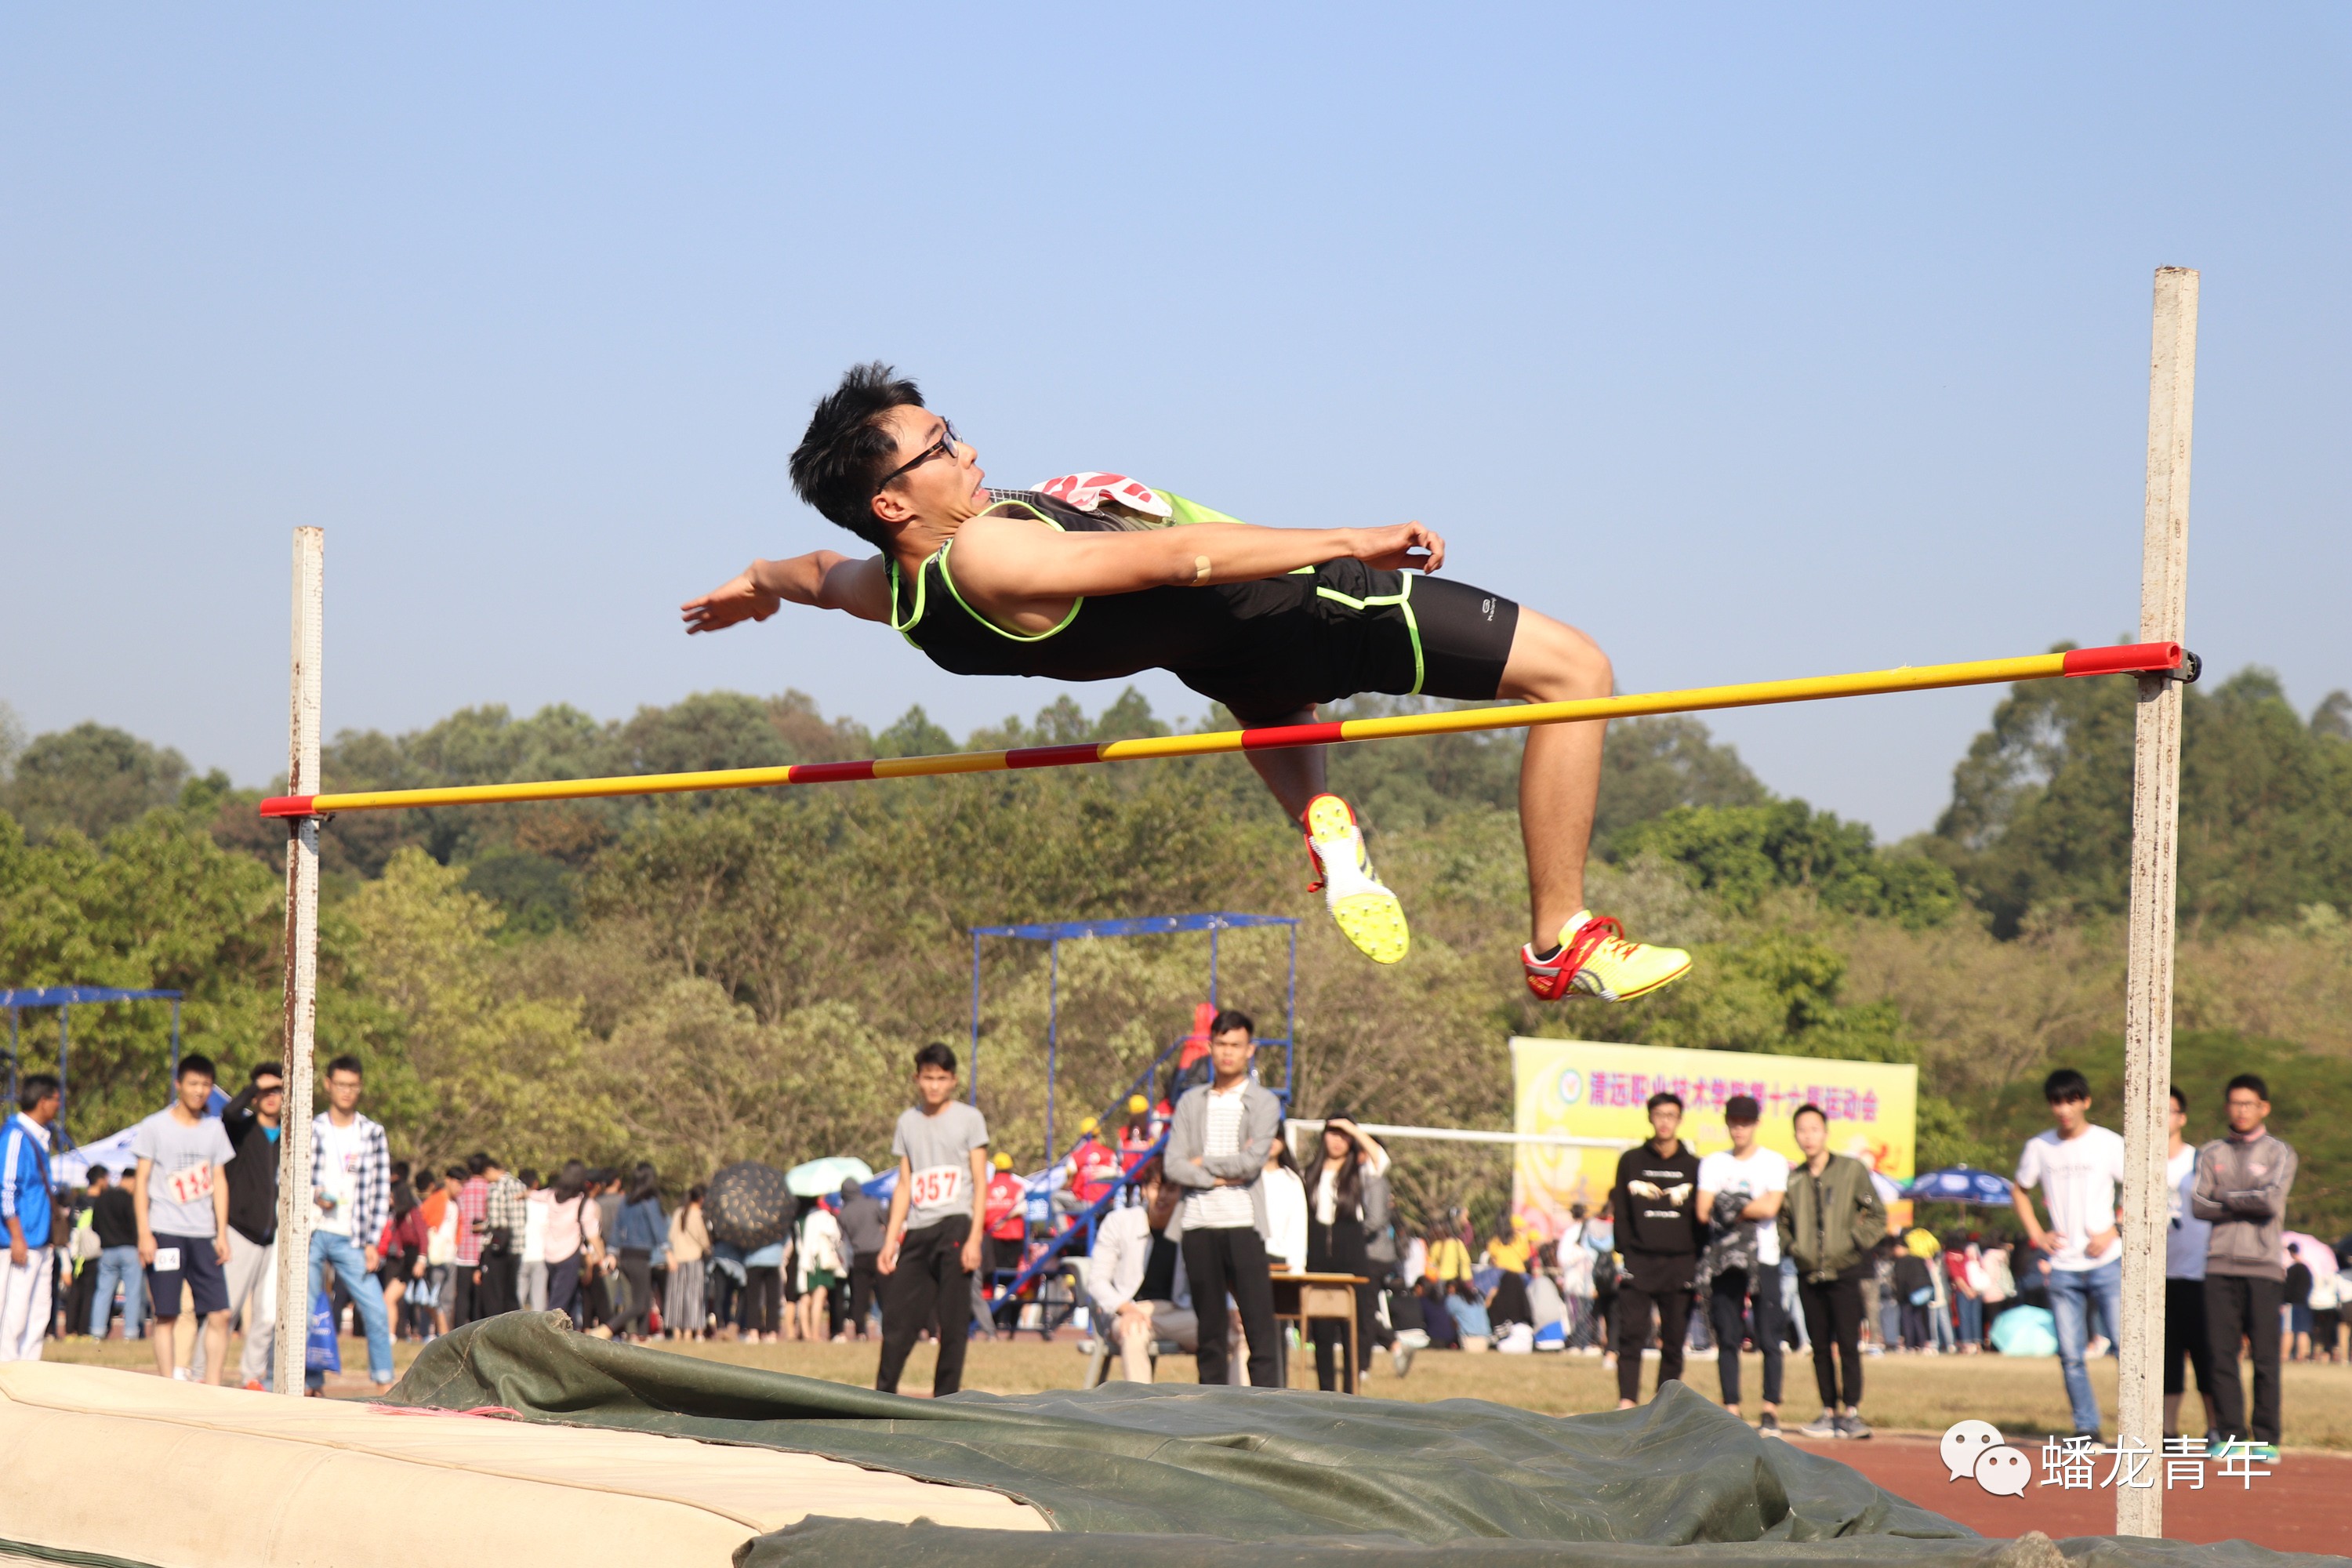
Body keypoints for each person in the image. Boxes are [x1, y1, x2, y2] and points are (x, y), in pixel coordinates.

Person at [683, 365, 1693, 1003]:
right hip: (1303, 607)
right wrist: (1357, 537)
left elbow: (817, 573)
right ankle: (1561, 935)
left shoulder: (895, 588)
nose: (971, 450)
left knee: (1275, 711)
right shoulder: (991, 556)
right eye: (942, 448)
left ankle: (1322, 819)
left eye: (956, 429)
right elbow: (1182, 562)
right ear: (894, 500)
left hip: (1222, 665)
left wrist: (757, 584)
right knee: (1579, 673)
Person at [1163, 1008, 1283, 1388]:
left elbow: (1251, 1162)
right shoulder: (1190, 1102)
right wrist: (1216, 1176)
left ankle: (1268, 1414)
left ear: (1250, 1050)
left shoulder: (1264, 1103)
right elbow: (1174, 1165)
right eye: (1221, 1044)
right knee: (1210, 1332)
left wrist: (1203, 1164)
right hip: (1198, 1223)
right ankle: (1210, 1415)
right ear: (1210, 1047)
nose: (1228, 1052)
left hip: (1243, 1222)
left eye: (1236, 1045)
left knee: (1260, 1328)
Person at [2010, 1067, 2126, 1440]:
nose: (2064, 1109)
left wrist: (2113, 1229)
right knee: (2072, 1355)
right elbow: (2019, 1189)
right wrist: (2036, 1234)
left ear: (2085, 1102)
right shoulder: (2040, 1147)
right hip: (2063, 1266)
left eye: (2071, 1100)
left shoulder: (2108, 1143)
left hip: (2107, 1262)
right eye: (2057, 1102)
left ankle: (2137, 1427)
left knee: (2126, 1348)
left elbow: (2141, 1186)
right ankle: (2087, 1427)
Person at [875, 1042, 990, 1397]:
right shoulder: (907, 1123)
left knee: (953, 1322)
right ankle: (882, 1395)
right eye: (928, 1078)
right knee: (898, 1318)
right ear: (917, 1078)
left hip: (956, 1225)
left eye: (941, 1078)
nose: (934, 1085)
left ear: (953, 1081)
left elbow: (981, 1184)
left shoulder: (970, 1119)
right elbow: (905, 1185)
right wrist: (890, 1239)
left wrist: (974, 1240)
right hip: (919, 1230)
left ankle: (945, 1402)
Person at [2194, 1072, 2298, 1460]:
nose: (2241, 1110)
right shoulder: (2211, 1152)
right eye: (2235, 1103)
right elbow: (2197, 1205)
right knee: (2221, 1354)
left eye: (2248, 1104)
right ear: (2227, 1107)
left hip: (2264, 1266)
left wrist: (2223, 1195)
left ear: (2263, 1108)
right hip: (2219, 1265)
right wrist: (2243, 1198)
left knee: (2266, 1357)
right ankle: (2231, 1435)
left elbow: (2271, 1201)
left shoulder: (2279, 1152)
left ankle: (2267, 1437)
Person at [1780, 1102, 1886, 1440]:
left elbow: (1877, 1214)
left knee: (1848, 1342)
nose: (1808, 1136)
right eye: (1801, 1130)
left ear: (1825, 1133)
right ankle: (1828, 1410)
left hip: (1845, 1270)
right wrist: (1795, 1249)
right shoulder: (1794, 1177)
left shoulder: (1851, 1170)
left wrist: (1854, 1242)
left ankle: (1851, 1412)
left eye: (1814, 1129)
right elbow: (1783, 1222)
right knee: (1820, 1345)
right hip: (1809, 1272)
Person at [131, 1056, 235, 1381]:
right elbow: (142, 1183)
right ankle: (166, 1383)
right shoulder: (155, 1126)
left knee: (220, 1313)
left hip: (203, 1234)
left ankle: (214, 1384)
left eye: (205, 1085)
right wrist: (144, 1233)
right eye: (193, 1083)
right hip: (165, 1232)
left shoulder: (214, 1128)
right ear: (179, 1084)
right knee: (166, 1313)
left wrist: (221, 1233)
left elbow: (219, 1181)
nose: (199, 1091)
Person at [1697, 1094, 1790, 1433]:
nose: (1739, 1128)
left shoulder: (1774, 1162)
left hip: (1765, 1256)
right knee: (1728, 1335)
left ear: (1756, 1124)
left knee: (1769, 1336)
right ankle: (1731, 1408)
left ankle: (1770, 1408)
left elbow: (1771, 1208)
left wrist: (1729, 1205)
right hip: (1723, 1261)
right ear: (1727, 1123)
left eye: (1745, 1122)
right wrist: (1748, 1204)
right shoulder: (1713, 1163)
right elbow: (1703, 1210)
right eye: (1734, 1121)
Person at [304, 1056, 395, 1392]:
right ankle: (310, 1382)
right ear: (328, 1084)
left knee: (375, 1308)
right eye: (340, 1084)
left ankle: (384, 1382)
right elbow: (291, 1176)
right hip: (313, 1231)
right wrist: (316, 1194)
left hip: (353, 1237)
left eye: (352, 1086)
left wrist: (374, 1241)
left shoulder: (372, 1133)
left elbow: (381, 1189)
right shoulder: (312, 1128)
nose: (346, 1091)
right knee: (308, 1310)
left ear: (359, 1087)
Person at [1610, 1091, 1703, 1408]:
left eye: (1671, 1116)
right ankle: (1627, 1402)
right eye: (1659, 1115)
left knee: (1674, 1340)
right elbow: (1620, 1210)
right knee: (1631, 1334)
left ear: (1680, 1120)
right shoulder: (1631, 1161)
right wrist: (1626, 1249)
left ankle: (1663, 1408)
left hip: (1681, 1263)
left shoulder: (1694, 1166)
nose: (1665, 1122)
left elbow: (1701, 1218)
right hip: (1640, 1261)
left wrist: (1696, 1257)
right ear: (1650, 1117)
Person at [1086, 1159, 1197, 1382]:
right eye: (1157, 1187)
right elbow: (1097, 1280)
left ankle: (1236, 1408)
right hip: (1131, 1310)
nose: (1163, 1196)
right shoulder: (1119, 1222)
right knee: (1134, 1332)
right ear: (1145, 1190)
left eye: (1172, 1189)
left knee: (1231, 1333)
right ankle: (1142, 1411)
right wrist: (1126, 1309)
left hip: (1176, 1311)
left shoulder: (1192, 1225)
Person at [1304, 1117, 1389, 1391]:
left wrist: (1355, 1129)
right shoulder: (1311, 1173)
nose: (1338, 1140)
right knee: (1322, 1333)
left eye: (1344, 1135)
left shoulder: (1360, 1172)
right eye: (1333, 1133)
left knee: (1352, 1330)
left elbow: (1382, 1162)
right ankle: (1326, 1394)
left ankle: (1352, 1394)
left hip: (1352, 1259)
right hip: (1318, 1259)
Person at [2158, 1085, 2220, 1439]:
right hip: (2158, 1277)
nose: (2162, 1117)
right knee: (2166, 1360)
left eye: (2169, 1110)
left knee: (2204, 1355)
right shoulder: (2138, 1164)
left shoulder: (2201, 1162)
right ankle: (2167, 1431)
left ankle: (2214, 1427)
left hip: (2198, 1273)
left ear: (2182, 1117)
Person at [216, 1065, 282, 1389]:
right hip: (240, 1231)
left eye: (278, 1091)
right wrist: (255, 1084)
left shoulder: (291, 1136)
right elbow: (228, 1111)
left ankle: (252, 1375)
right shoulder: (241, 1128)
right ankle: (206, 1371)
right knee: (225, 1310)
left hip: (276, 1237)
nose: (272, 1098)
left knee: (267, 1314)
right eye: (265, 1092)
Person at [2, 1075, 63, 1363]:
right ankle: (7, 1377)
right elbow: (5, 1189)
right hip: (20, 1241)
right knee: (13, 1312)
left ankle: (30, 1373)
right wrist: (16, 1236)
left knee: (39, 1311)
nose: (58, 1106)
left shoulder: (41, 1137)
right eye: (56, 1100)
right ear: (43, 1101)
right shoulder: (15, 1136)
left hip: (40, 1240)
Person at [540, 1160, 597, 1328]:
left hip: (550, 1255)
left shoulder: (551, 1195)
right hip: (568, 1255)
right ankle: (546, 1335)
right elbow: (592, 1235)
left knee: (569, 1300)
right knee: (559, 1304)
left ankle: (568, 1337)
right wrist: (600, 1254)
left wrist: (523, 1194)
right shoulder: (583, 1202)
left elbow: (534, 1195)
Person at [613, 1164, 665, 1341]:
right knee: (641, 1303)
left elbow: (616, 1229)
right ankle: (608, 1327)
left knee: (639, 1298)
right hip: (640, 1256)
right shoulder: (650, 1202)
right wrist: (668, 1250)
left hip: (625, 1256)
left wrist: (611, 1252)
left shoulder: (626, 1201)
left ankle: (641, 1336)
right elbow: (657, 1228)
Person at [838, 1174, 887, 1341]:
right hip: (879, 1254)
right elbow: (886, 1222)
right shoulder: (874, 1204)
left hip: (859, 1256)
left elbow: (843, 1236)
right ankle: (889, 1327)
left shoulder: (843, 1213)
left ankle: (860, 1331)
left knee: (859, 1295)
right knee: (885, 1293)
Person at [480, 1155, 526, 1319]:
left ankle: (495, 1327)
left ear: (490, 1170)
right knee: (511, 1291)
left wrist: (481, 1228)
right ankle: (514, 1325)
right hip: (517, 1245)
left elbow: (495, 1221)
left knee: (494, 1292)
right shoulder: (519, 1185)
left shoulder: (496, 1188)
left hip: (499, 1246)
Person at [794, 1195, 842, 1343]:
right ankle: (815, 1334)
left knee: (805, 1297)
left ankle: (806, 1333)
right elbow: (835, 1236)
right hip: (820, 1261)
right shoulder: (824, 1216)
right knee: (819, 1297)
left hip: (804, 1261)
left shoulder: (799, 1219)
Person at [665, 1185, 708, 1338]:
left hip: (677, 1258)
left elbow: (670, 1236)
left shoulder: (678, 1213)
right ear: (702, 1199)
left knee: (676, 1296)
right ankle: (690, 1329)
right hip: (694, 1259)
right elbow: (704, 1240)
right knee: (693, 1295)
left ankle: (676, 1330)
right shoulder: (698, 1215)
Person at [1261, 1140, 1308, 1275]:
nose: (1271, 1140)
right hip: (1246, 1257)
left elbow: (1297, 1228)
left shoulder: (1292, 1180)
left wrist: (1297, 1268)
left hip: (1280, 1260)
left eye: (1277, 1135)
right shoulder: (1244, 1177)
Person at [1058, 1117, 1122, 1217]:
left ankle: (1062, 1231)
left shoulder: (1077, 1155)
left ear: (1083, 1134)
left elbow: (1069, 1181)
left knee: (1054, 1197)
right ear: (1098, 1133)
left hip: (1085, 1203)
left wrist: (1060, 1188)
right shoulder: (1110, 1154)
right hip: (1106, 1203)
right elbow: (1119, 1174)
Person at [517, 1169, 550, 1315]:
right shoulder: (544, 1205)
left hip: (520, 1255)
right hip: (540, 1255)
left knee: (517, 1298)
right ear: (536, 1184)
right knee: (539, 1300)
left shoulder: (517, 1205)